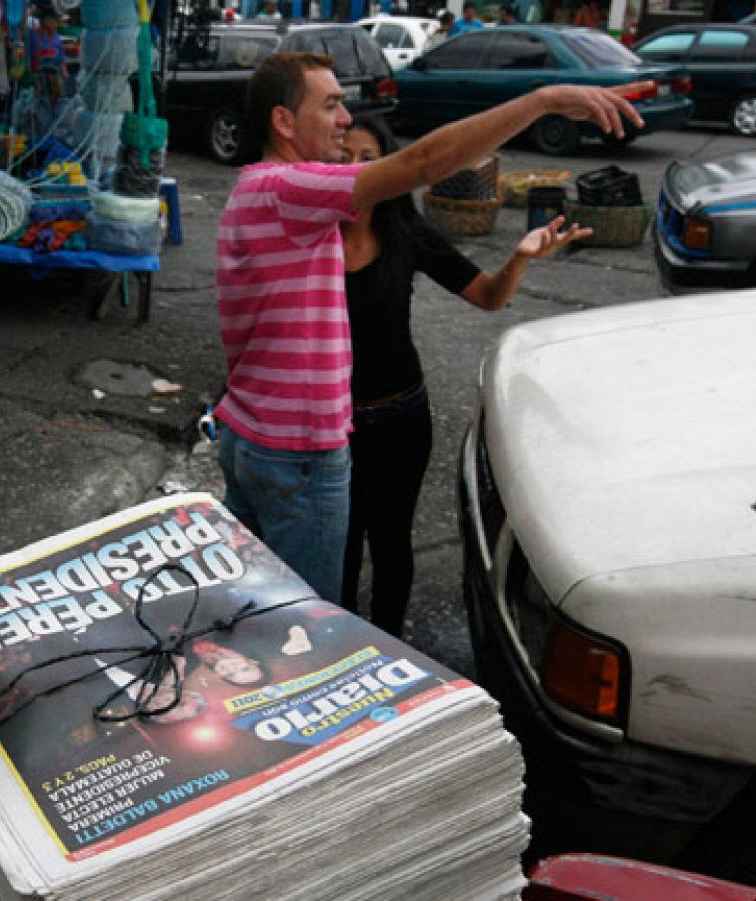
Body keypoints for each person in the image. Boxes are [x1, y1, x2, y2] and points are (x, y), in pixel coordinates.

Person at [213, 51, 641, 602]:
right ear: (284, 122)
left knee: (257, 604)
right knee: (304, 621)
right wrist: (543, 101)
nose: (345, 120)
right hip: (295, 453)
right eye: (332, 105)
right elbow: (423, 164)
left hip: (256, 437)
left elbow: (453, 251)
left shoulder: (269, 194)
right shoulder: (285, 188)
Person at [336, 117, 587, 638]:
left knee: (389, 542)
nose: (355, 169)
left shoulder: (406, 233)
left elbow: (489, 296)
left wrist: (519, 258)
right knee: (337, 543)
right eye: (343, 156)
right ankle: (336, 649)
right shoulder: (310, 236)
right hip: (330, 427)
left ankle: (386, 646)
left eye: (368, 158)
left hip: (400, 419)